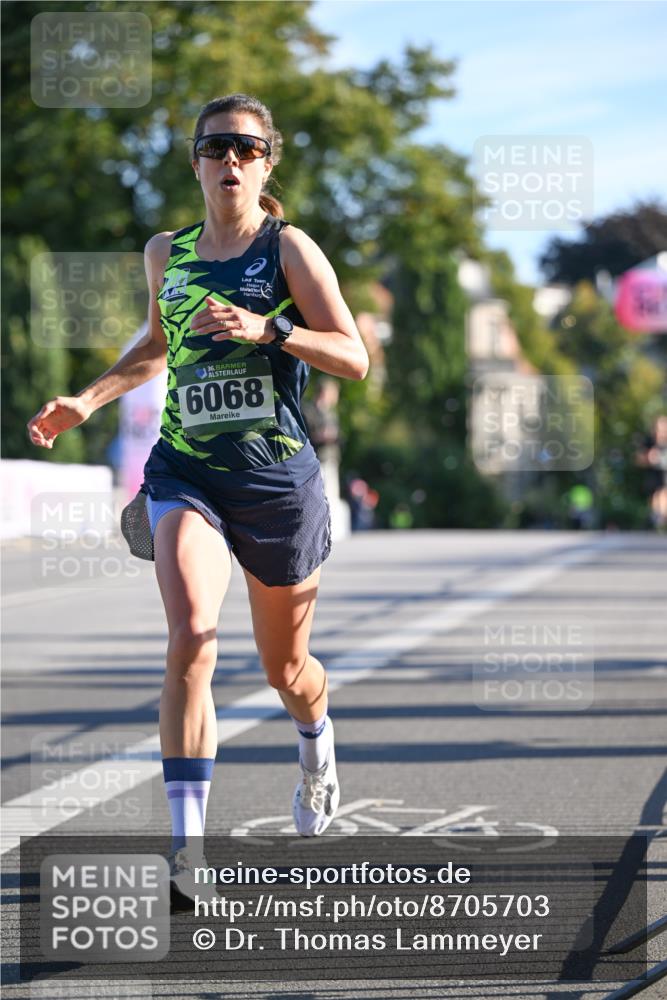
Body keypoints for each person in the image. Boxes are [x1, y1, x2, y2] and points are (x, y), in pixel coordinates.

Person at [27, 93, 369, 898]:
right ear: (195, 162)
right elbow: (157, 344)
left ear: (267, 163)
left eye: (247, 149)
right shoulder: (166, 253)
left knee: (287, 669)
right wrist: (88, 400)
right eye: (216, 148)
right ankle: (189, 851)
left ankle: (315, 741)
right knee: (192, 635)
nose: (231, 162)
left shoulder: (288, 248)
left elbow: (352, 357)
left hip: (276, 483)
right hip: (187, 472)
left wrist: (268, 329)